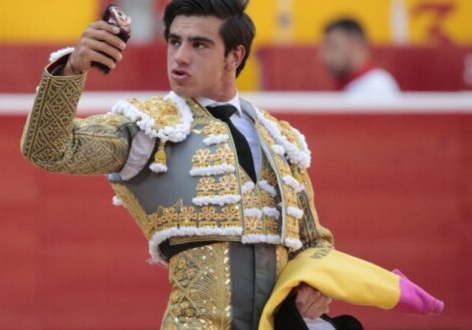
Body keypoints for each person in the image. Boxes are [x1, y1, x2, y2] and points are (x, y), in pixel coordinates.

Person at [21, 0, 342, 328]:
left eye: (199, 44)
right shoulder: (149, 128)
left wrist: (312, 282)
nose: (181, 56)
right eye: (174, 42)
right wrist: (72, 69)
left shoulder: (278, 138)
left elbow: (313, 241)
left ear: (235, 56)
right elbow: (48, 149)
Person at [320, 18, 400, 98]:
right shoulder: (346, 86)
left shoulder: (378, 85)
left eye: (333, 47)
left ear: (355, 45)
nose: (324, 57)